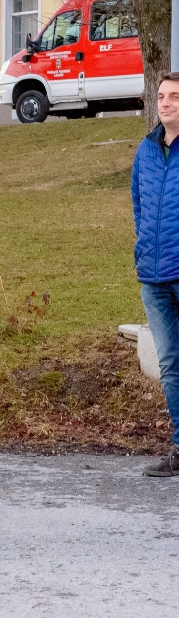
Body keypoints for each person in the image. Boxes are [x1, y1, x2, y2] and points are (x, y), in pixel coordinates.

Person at [132, 71, 179, 477]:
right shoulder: (145, 151)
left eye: (174, 97)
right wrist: (144, 248)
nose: (165, 103)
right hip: (153, 276)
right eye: (162, 96)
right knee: (170, 364)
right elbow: (139, 205)